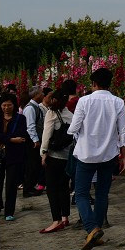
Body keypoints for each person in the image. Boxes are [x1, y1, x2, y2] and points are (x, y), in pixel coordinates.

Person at [68, 68, 125, 250]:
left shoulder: (84, 101)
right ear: (110, 83)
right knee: (102, 194)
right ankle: (96, 232)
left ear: (93, 83)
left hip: (86, 154)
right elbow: (123, 132)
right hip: (109, 155)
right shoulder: (117, 102)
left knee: (80, 193)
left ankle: (91, 227)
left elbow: (73, 128)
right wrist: (124, 156)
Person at [39, 90, 74, 233]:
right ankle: (65, 217)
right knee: (64, 187)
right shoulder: (71, 115)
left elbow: (46, 135)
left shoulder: (51, 113)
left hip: (54, 156)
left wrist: (43, 153)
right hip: (67, 156)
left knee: (52, 189)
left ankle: (56, 220)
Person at [0, 92, 29, 221]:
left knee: (11, 184)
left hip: (14, 155)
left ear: (14, 105)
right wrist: (11, 140)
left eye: (9, 105)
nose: (6, 108)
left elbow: (22, 135)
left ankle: (9, 211)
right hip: (0, 155)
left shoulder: (20, 119)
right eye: (4, 105)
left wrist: (7, 139)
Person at [21, 87, 47, 197]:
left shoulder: (36, 107)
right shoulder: (30, 108)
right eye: (41, 93)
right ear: (36, 95)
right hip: (32, 141)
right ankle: (27, 189)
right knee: (31, 165)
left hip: (35, 139)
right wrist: (35, 140)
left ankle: (31, 186)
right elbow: (30, 126)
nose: (43, 95)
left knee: (35, 165)